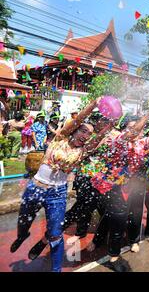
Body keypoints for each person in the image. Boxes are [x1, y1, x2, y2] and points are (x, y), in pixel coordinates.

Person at [10, 98, 113, 272]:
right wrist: (94, 105)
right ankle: (22, 235)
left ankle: (56, 269)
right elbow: (80, 118)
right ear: (74, 130)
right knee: (23, 222)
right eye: (83, 131)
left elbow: (101, 136)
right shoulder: (61, 137)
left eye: (89, 134)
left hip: (57, 194)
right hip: (36, 188)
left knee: (56, 234)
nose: (85, 136)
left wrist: (111, 122)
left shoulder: (83, 151)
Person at [87, 113, 149, 272]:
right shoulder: (117, 140)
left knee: (132, 215)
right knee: (114, 218)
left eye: (138, 129)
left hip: (134, 184)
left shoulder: (140, 144)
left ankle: (129, 244)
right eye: (132, 128)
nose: (137, 132)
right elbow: (138, 138)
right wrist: (148, 114)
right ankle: (109, 251)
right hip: (112, 187)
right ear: (124, 128)